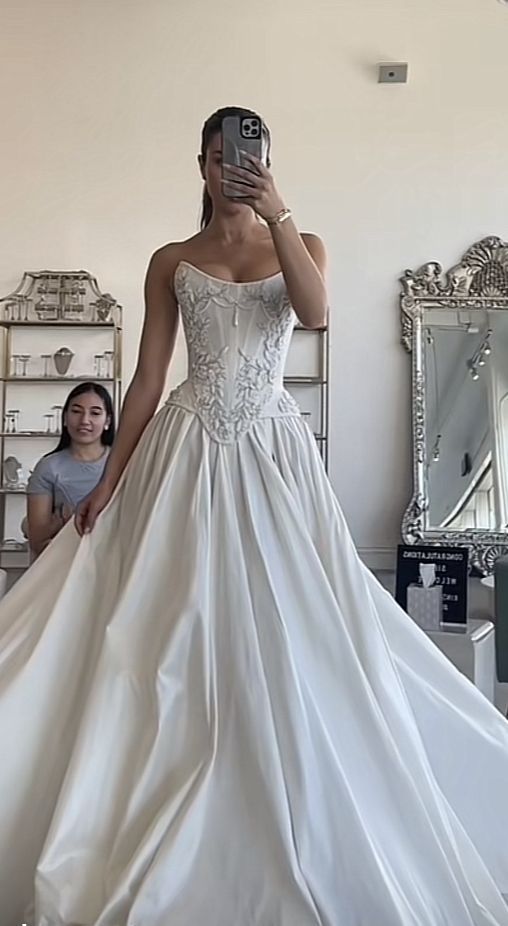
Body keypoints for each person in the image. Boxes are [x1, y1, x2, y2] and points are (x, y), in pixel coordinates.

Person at [0, 107, 508, 926]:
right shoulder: (171, 260)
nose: (233, 168)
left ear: (267, 163)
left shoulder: (302, 246)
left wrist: (279, 211)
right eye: (219, 157)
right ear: (200, 165)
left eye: (250, 157)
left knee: (301, 622)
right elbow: (147, 379)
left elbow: (316, 316)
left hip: (274, 451)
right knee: (170, 621)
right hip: (188, 445)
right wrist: (108, 482)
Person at [26, 382, 115, 557]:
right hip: (63, 559)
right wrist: (64, 525)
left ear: (108, 421)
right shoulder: (48, 467)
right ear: (65, 418)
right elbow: (37, 541)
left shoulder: (121, 462)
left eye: (95, 413)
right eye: (76, 411)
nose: (84, 420)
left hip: (112, 556)